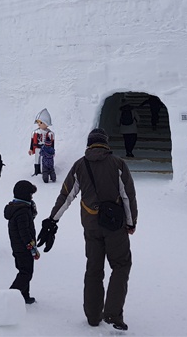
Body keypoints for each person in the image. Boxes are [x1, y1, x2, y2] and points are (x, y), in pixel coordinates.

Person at [37, 128, 137, 331]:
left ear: (89, 144)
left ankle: (92, 315)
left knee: (93, 268)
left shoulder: (80, 165)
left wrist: (52, 220)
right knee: (120, 265)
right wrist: (130, 222)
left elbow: (66, 195)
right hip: (115, 225)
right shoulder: (117, 164)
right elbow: (127, 195)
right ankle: (113, 314)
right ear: (106, 144)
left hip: (91, 225)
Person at [5, 179, 40, 305]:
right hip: (23, 248)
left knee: (25, 271)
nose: (31, 197)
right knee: (26, 273)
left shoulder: (17, 208)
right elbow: (24, 232)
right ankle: (11, 295)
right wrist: (32, 247)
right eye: (30, 194)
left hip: (18, 247)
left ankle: (24, 295)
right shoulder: (22, 211)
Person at [28, 108, 56, 182]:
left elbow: (52, 143)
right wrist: (31, 149)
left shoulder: (50, 133)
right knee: (37, 160)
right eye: (38, 122)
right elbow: (32, 141)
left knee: (47, 160)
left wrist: (52, 152)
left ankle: (48, 172)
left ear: (46, 123)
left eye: (40, 123)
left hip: (46, 149)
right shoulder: (35, 132)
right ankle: (37, 171)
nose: (39, 124)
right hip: (37, 147)